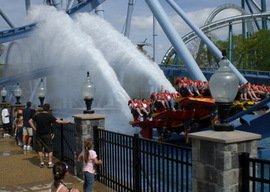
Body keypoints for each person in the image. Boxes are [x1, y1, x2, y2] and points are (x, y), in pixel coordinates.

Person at [29, 103, 70, 168]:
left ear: (43, 108)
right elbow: (58, 122)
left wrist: (34, 128)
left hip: (39, 134)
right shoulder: (49, 116)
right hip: (47, 134)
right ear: (48, 109)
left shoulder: (37, 115)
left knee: (39, 149)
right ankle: (50, 163)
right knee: (49, 149)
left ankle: (42, 163)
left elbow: (30, 121)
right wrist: (67, 121)